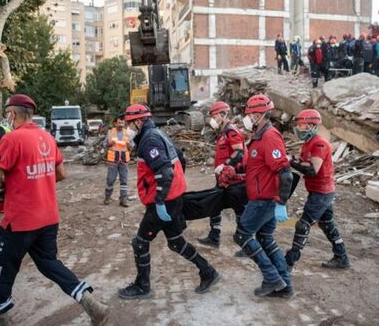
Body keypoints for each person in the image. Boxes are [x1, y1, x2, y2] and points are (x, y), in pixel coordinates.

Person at [0, 94, 108, 325]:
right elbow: (61, 173)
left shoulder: (11, 140)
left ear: (12, 114)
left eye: (7, 113)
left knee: (2, 263)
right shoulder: (48, 137)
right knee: (50, 263)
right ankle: (90, 302)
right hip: (49, 218)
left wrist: (17, 181)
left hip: (20, 221)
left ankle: (1, 316)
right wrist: (36, 181)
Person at [118, 104, 220, 299]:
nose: (127, 129)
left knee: (140, 243)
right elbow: (180, 159)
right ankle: (208, 271)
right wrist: (176, 188)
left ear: (139, 121)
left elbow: (165, 170)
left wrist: (159, 199)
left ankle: (142, 286)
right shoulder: (158, 134)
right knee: (175, 242)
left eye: (129, 124)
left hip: (163, 202)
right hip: (172, 199)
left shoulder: (149, 140)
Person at [233, 94, 294, 299]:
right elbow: (259, 168)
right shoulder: (260, 136)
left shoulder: (270, 137)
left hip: (264, 200)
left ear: (258, 115)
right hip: (262, 198)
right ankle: (285, 286)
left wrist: (281, 203)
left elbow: (284, 172)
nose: (246, 118)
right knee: (265, 238)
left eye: (249, 114)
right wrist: (239, 173)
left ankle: (272, 278)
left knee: (242, 235)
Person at [285, 109, 350, 272]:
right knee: (327, 224)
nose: (298, 128)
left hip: (322, 192)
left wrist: (291, 162)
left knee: (303, 224)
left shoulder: (319, 144)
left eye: (301, 125)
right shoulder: (309, 143)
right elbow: (305, 164)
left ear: (311, 125)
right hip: (319, 190)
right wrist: (292, 160)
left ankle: (289, 262)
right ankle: (342, 257)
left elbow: (312, 170)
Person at [197, 102, 248, 257]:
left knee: (240, 211)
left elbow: (239, 152)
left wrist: (225, 165)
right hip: (223, 177)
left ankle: (247, 244)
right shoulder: (223, 132)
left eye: (214, 116)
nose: (213, 119)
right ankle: (214, 236)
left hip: (234, 179)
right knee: (215, 204)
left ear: (222, 115)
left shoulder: (231, 131)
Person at [104, 115, 130, 207]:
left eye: (122, 123)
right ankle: (107, 197)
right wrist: (111, 143)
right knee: (110, 180)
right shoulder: (110, 132)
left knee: (124, 181)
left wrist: (129, 144)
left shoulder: (127, 133)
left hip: (124, 160)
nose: (121, 125)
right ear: (115, 123)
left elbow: (132, 146)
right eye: (119, 123)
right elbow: (105, 144)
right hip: (113, 160)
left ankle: (123, 200)